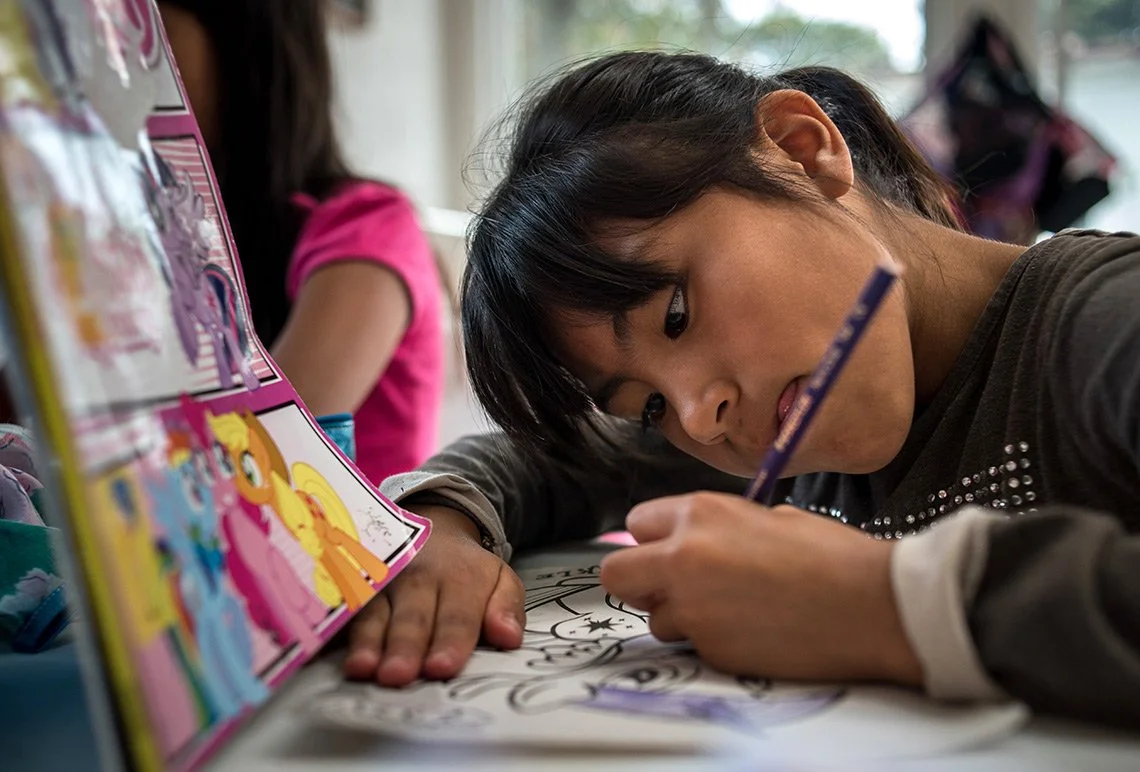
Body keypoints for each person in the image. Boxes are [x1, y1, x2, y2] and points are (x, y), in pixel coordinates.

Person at [346, 51, 1140, 730]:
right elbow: (548, 461)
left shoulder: (1105, 325)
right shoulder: (783, 436)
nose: (698, 414)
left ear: (802, 150)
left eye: (678, 314)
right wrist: (439, 525)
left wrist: (885, 605)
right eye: (647, 406)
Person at [156, 0, 445, 483]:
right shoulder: (181, 234)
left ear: (245, 52)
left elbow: (258, 456)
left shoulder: (367, 227)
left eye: (156, 45)